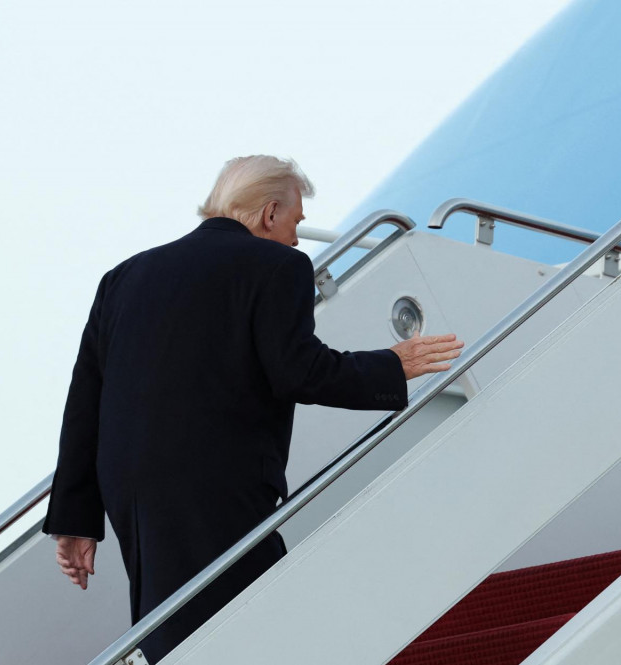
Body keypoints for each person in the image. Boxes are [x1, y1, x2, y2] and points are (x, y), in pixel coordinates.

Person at [42, 155, 463, 661]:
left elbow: (85, 400)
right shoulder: (278, 266)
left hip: (131, 489)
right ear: (269, 214)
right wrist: (393, 366)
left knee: (176, 626)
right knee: (248, 619)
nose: (295, 238)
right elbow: (298, 370)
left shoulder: (125, 276)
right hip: (219, 483)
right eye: (295, 223)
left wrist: (76, 517)